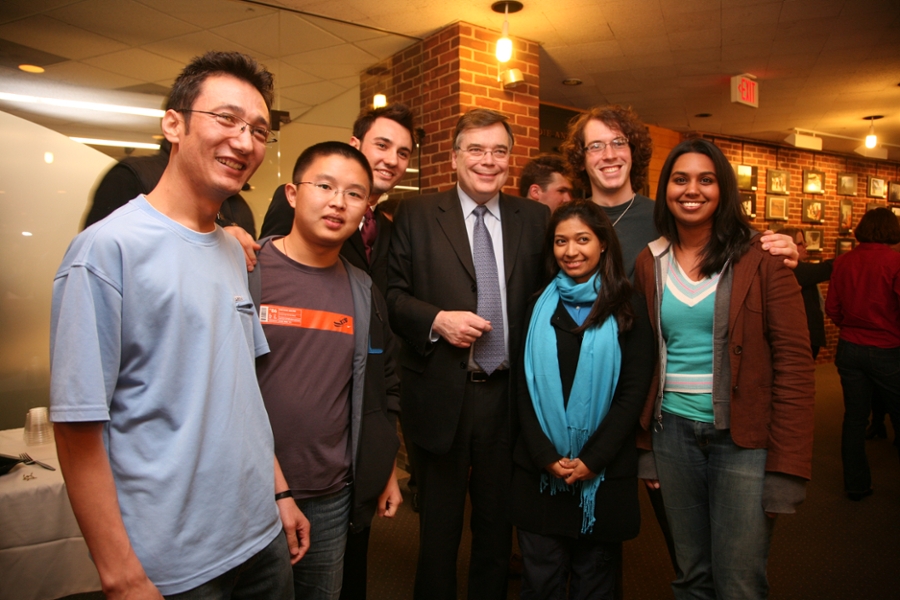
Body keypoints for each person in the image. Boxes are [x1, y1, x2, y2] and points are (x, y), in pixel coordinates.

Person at [49, 51, 308, 598]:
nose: (245, 141)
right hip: (175, 565)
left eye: (259, 130)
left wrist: (280, 493)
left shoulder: (232, 250)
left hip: (261, 539)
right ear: (173, 123)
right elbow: (77, 427)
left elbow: (240, 396)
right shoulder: (106, 250)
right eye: (226, 119)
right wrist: (121, 576)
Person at [559, 106, 800, 582]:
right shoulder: (565, 223)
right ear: (580, 157)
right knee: (620, 545)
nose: (608, 155)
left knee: (716, 558)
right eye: (595, 145)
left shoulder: (662, 220)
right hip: (602, 410)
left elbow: (741, 255)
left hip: (665, 407)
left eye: (618, 143)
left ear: (635, 152)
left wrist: (784, 248)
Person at [634, 138, 815, 599]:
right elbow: (642, 362)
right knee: (690, 575)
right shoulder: (649, 261)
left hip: (744, 440)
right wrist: (646, 447)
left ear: (723, 190)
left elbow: (796, 366)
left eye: (705, 179)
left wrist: (786, 468)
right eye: (680, 179)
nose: (691, 190)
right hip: (671, 434)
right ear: (665, 189)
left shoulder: (763, 258)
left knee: (739, 581)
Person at [387, 108, 549, 600]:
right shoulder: (415, 214)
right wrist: (437, 320)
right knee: (438, 528)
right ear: (455, 157)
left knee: (498, 528)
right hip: (440, 394)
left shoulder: (535, 217)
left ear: (509, 159)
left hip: (508, 396)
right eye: (476, 149)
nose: (488, 160)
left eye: (499, 151)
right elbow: (390, 296)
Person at [258, 104, 415, 600]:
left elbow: (380, 383)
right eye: (323, 187)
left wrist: (381, 466)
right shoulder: (244, 271)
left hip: (332, 493)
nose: (337, 202)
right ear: (293, 193)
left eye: (353, 194)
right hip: (247, 488)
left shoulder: (363, 289)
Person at [511, 200, 654, 599]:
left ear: (604, 243)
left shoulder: (629, 308)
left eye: (582, 239)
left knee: (596, 584)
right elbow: (522, 386)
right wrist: (543, 455)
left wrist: (593, 459)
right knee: (540, 583)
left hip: (603, 474)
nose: (570, 251)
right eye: (560, 241)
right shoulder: (535, 306)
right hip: (541, 471)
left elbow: (632, 394)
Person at [825, 207, 900, 501]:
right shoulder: (895, 262)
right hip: (887, 349)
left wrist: (852, 326)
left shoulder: (843, 261)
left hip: (849, 348)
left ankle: (856, 484)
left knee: (855, 418)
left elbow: (832, 308)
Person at [781, 227, 833, 359]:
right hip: (798, 337)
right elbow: (824, 270)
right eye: (800, 243)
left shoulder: (798, 268)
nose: (806, 246)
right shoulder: (789, 269)